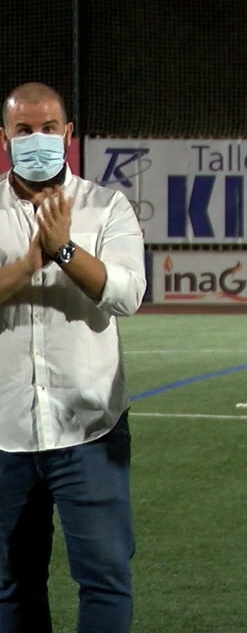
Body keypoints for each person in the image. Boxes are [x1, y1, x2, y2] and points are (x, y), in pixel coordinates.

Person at [0, 82, 146, 632]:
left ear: (68, 135)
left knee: (105, 579)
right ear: (4, 139)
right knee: (12, 585)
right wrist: (32, 260)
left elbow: (128, 294)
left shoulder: (107, 206)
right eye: (23, 130)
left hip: (89, 429)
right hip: (5, 431)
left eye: (47, 128)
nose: (36, 139)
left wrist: (64, 249)